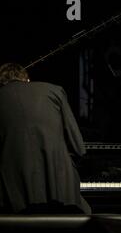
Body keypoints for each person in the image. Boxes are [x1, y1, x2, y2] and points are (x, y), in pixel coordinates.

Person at [0, 63, 90, 214]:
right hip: (61, 194)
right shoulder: (54, 90)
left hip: (13, 198)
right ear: (27, 80)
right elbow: (78, 147)